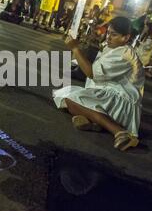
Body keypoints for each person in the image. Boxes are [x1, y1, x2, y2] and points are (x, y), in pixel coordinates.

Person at [53, 17, 144, 151]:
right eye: (108, 33)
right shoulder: (113, 48)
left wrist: (75, 48)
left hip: (121, 101)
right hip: (109, 93)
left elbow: (91, 73)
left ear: (126, 37)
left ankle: (120, 132)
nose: (108, 37)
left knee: (71, 100)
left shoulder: (124, 54)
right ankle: (96, 122)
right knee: (63, 95)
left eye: (114, 34)